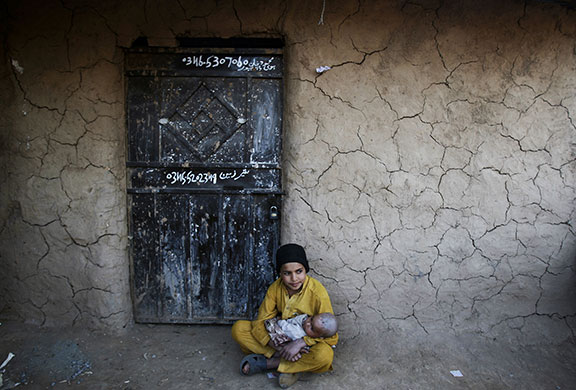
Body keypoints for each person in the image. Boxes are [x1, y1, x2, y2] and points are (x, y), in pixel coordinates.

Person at [231, 243, 339, 389]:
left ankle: (270, 363)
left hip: (303, 344)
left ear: (305, 270)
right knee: (239, 329)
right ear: (280, 273)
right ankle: (292, 364)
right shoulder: (275, 288)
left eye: (299, 271)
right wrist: (276, 344)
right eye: (287, 273)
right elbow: (260, 321)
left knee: (324, 356)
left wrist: (300, 343)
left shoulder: (318, 293)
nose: (294, 278)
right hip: (278, 338)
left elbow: (330, 336)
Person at [265, 312, 338, 346]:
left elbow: (283, 325)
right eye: (311, 319)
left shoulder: (297, 333)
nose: (307, 323)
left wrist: (280, 320)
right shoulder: (305, 318)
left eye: (312, 328)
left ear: (319, 336)